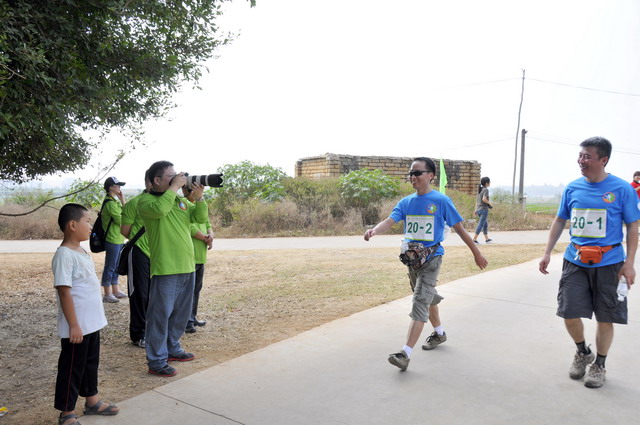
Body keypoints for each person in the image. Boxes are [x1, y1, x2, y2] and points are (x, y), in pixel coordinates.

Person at [364, 157, 488, 371]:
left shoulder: (441, 201)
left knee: (420, 301)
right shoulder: (406, 202)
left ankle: (405, 354)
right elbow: (390, 221)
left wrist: (476, 253)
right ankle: (439, 334)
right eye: (411, 173)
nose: (413, 177)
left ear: (430, 175)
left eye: (417, 173)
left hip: (432, 258)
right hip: (412, 259)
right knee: (426, 296)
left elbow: (459, 229)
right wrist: (374, 230)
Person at [539, 136, 639, 389]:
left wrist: (629, 263)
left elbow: (632, 226)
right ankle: (583, 352)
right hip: (575, 260)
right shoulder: (573, 188)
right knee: (568, 311)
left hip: (610, 263)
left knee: (606, 316)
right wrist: (547, 252)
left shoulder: (622, 189)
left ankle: (600, 365)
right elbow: (560, 220)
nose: (581, 161)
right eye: (580, 155)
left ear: (603, 160)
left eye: (587, 156)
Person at [138, 161, 208, 377]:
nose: (177, 178)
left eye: (177, 175)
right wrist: (175, 187)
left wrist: (199, 197)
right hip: (165, 268)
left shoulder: (179, 201)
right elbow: (160, 209)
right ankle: (156, 360)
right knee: (160, 315)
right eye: (171, 176)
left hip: (187, 265)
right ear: (156, 180)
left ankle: (172, 348)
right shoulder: (146, 201)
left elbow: (199, 218)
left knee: (181, 313)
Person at [52, 204, 120, 425]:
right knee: (72, 368)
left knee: (90, 363)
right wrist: (73, 325)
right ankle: (66, 412)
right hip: (77, 326)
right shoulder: (64, 255)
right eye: (87, 221)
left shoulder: (81, 251)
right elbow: (64, 291)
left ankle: (92, 401)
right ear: (73, 225)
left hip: (91, 323)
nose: (91, 226)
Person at [120, 170, 152, 348]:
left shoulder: (166, 203)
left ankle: (152, 330)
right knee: (139, 294)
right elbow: (125, 231)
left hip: (158, 254)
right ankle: (139, 334)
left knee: (155, 294)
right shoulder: (134, 204)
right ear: (150, 182)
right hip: (139, 252)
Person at [182, 186, 214, 334]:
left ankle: (192, 317)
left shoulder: (200, 205)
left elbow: (207, 223)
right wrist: (206, 238)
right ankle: (187, 321)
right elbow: (190, 228)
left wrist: (210, 235)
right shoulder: (183, 205)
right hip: (190, 255)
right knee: (188, 291)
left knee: (196, 289)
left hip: (201, 255)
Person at [101, 176, 127, 303]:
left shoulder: (114, 201)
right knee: (110, 266)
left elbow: (126, 214)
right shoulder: (110, 203)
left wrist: (122, 200)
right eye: (117, 185)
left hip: (118, 238)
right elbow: (122, 219)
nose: (119, 187)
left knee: (116, 265)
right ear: (110, 187)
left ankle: (115, 290)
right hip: (112, 239)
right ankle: (107, 293)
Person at [473, 176, 493, 244]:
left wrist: (475, 210)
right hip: (483, 210)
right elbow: (484, 199)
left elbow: (477, 201)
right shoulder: (485, 190)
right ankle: (474, 239)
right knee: (481, 224)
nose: (490, 183)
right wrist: (490, 203)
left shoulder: (480, 189)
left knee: (485, 224)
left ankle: (487, 239)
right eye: (489, 182)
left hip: (478, 209)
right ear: (486, 183)